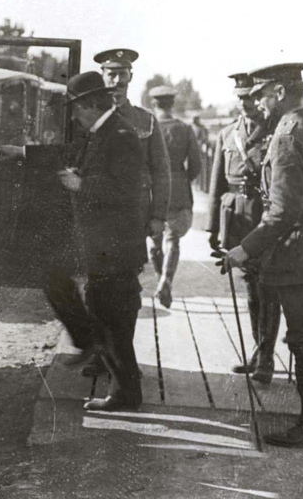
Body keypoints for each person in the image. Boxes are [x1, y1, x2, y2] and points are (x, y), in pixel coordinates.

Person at [223, 62, 303, 449]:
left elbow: (283, 211)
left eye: (260, 94)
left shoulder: (286, 136)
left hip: (299, 251)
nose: (256, 103)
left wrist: (244, 248)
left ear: (278, 92)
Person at [58, 71, 146, 411]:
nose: (75, 117)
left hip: (116, 247)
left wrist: (83, 186)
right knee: (105, 312)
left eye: (77, 109)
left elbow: (126, 190)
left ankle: (125, 393)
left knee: (113, 317)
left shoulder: (121, 135)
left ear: (91, 105)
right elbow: (73, 156)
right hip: (104, 246)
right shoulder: (102, 133)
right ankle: (123, 388)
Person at [208, 73, 277, 383]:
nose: (245, 103)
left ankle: (265, 357)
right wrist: (212, 228)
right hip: (237, 218)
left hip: (265, 216)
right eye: (240, 98)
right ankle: (256, 349)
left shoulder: (276, 131)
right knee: (251, 288)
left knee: (268, 286)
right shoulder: (226, 134)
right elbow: (216, 183)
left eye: (250, 97)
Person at [94, 48, 171, 255]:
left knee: (130, 274)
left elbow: (161, 171)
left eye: (123, 74)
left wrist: (158, 216)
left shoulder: (146, 119)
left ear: (131, 77)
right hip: (97, 212)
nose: (117, 80)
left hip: (135, 213)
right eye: (111, 74)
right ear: (102, 76)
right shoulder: (89, 116)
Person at [147, 86, 202, 307]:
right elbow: (196, 165)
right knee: (173, 238)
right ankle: (165, 282)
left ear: (154, 104)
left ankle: (162, 280)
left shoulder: (148, 128)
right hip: (178, 187)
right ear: (172, 104)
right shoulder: (184, 129)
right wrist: (182, 179)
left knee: (155, 239)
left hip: (153, 188)